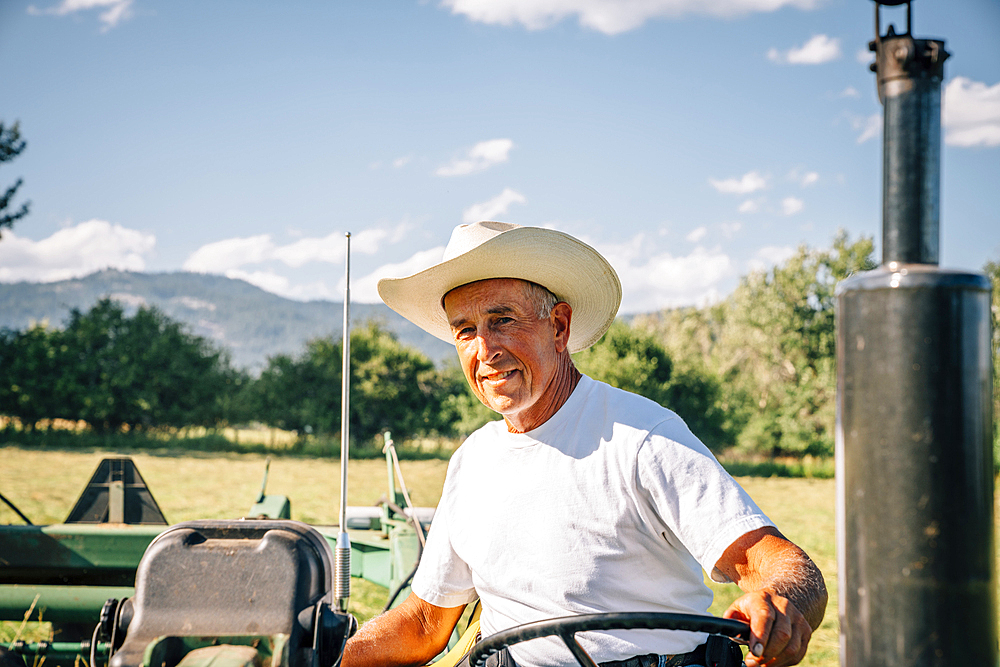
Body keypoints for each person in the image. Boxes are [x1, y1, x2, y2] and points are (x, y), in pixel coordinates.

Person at [343, 221, 827, 667]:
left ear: (559, 326)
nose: (485, 349)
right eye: (465, 330)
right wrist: (322, 656)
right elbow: (427, 623)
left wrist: (779, 600)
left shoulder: (641, 437)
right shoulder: (473, 460)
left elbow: (780, 564)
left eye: (503, 319)